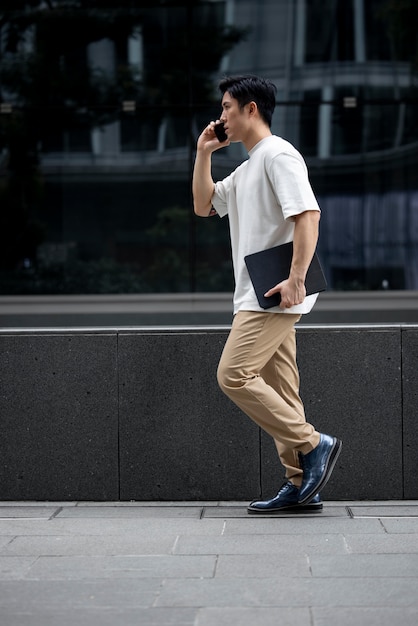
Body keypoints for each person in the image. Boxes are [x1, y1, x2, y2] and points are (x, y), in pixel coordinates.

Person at [192, 74, 342, 513]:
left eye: (226, 108)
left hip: (275, 291)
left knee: (233, 375)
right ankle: (300, 484)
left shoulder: (279, 155)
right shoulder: (247, 167)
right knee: (282, 387)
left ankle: (314, 444)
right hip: (258, 292)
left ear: (250, 109)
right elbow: (204, 205)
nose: (221, 117)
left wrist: (296, 279)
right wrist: (204, 153)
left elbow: (308, 216)